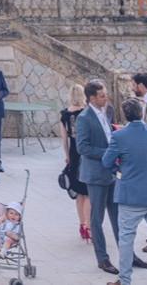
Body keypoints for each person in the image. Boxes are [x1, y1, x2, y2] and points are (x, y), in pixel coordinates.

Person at [78, 80, 147, 276]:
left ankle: (128, 255)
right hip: (95, 174)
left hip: (112, 173)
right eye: (102, 95)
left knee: (119, 216)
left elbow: (111, 133)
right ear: (92, 98)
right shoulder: (84, 118)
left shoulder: (108, 110)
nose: (106, 98)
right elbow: (82, 147)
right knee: (97, 218)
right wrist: (109, 151)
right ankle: (102, 258)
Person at [102, 98, 147, 285]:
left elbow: (106, 162)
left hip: (130, 195)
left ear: (125, 115)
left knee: (126, 239)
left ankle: (125, 280)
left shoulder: (119, 136)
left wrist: (120, 172)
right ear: (142, 112)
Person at [59, 83, 92, 242]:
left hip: (73, 153)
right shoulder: (86, 112)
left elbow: (64, 139)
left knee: (79, 193)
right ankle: (89, 226)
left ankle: (82, 224)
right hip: (84, 153)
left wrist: (67, 155)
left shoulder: (64, 114)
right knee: (87, 193)